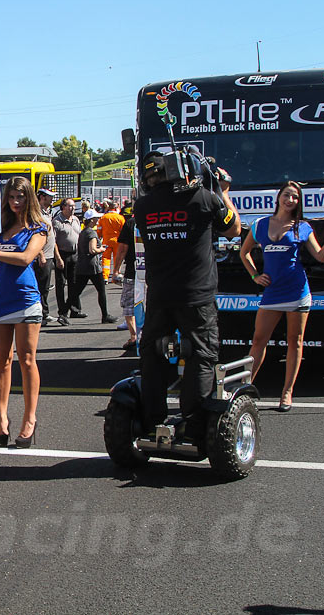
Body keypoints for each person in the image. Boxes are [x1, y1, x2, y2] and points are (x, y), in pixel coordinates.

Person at [134, 150, 240, 436]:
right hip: (196, 296)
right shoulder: (204, 198)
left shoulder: (141, 207)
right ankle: (194, 425)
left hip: (159, 294)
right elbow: (233, 230)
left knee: (152, 357)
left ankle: (150, 422)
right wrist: (220, 190)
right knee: (202, 356)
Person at [240, 181, 324, 411]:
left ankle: (287, 393)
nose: (290, 200)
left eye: (295, 197)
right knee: (258, 341)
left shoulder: (302, 227)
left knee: (294, 342)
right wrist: (255, 275)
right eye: (287, 195)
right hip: (272, 293)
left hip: (297, 292)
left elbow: (321, 256)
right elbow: (244, 252)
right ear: (278, 198)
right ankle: (244, 388)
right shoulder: (260, 224)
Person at [0, 176, 47, 448]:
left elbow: (25, 259)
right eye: (11, 197)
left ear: (29, 198)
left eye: (21, 197)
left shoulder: (38, 229)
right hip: (0, 300)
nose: (15, 202)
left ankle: (29, 419)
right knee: (2, 360)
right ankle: (1, 420)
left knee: (26, 359)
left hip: (26, 300)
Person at [71, 210, 117, 324]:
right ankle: (105, 315)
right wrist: (101, 249)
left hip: (82, 265)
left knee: (76, 291)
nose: (98, 220)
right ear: (91, 220)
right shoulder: (92, 233)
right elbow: (92, 250)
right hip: (93, 267)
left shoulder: (83, 232)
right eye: (96, 218)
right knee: (101, 291)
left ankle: (63, 312)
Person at [52, 198, 85, 323]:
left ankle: (75, 310)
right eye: (70, 206)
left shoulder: (75, 219)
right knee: (61, 284)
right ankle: (62, 312)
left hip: (75, 254)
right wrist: (58, 258)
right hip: (62, 255)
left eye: (73, 206)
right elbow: (53, 241)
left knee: (74, 283)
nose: (72, 208)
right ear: (63, 207)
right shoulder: (57, 222)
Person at [34, 188, 63, 325]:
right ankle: (40, 314)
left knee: (45, 287)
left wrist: (57, 257)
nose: (52, 199)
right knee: (40, 286)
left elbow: (52, 238)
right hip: (42, 256)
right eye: (50, 197)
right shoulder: (35, 213)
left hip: (49, 254)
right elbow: (33, 235)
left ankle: (44, 313)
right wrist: (40, 254)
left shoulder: (47, 213)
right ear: (42, 197)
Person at [113, 208, 139, 350]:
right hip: (156, 272)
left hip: (134, 272)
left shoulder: (131, 223)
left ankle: (134, 336)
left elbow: (122, 249)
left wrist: (116, 270)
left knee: (129, 305)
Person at [99, 199, 126, 283]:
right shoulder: (120, 218)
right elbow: (124, 231)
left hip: (106, 241)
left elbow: (99, 230)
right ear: (116, 208)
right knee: (117, 258)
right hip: (118, 241)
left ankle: (105, 277)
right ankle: (115, 275)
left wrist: (99, 237)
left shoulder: (103, 217)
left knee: (106, 258)